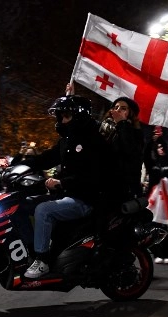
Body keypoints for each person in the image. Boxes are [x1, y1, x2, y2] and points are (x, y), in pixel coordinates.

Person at [20, 95, 110, 278]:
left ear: (79, 116)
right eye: (60, 116)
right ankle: (30, 252)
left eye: (65, 116)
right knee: (23, 205)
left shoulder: (93, 140)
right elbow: (45, 158)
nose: (61, 120)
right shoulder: (66, 142)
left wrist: (62, 182)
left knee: (43, 210)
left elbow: (94, 176)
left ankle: (42, 260)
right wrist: (19, 164)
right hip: (66, 195)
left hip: (85, 199)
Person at [143, 128, 168, 264]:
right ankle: (158, 253)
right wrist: (151, 142)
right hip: (155, 202)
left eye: (162, 147)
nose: (160, 149)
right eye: (158, 147)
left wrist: (162, 140)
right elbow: (145, 156)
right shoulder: (153, 164)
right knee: (154, 228)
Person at [99, 97, 144, 202]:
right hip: (101, 186)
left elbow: (131, 153)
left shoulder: (135, 133)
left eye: (123, 108)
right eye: (116, 107)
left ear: (130, 113)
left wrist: (122, 124)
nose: (118, 109)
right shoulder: (104, 128)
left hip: (121, 190)